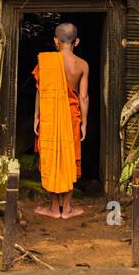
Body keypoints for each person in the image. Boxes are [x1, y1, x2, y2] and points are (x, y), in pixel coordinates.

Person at [33, 21, 88, 218]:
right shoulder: (82, 65)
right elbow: (83, 97)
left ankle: (54, 207)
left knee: (50, 157)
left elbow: (40, 91)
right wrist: (84, 123)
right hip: (73, 117)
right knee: (70, 159)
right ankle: (68, 207)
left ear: (56, 41)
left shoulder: (46, 62)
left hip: (49, 116)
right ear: (77, 41)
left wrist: (36, 117)